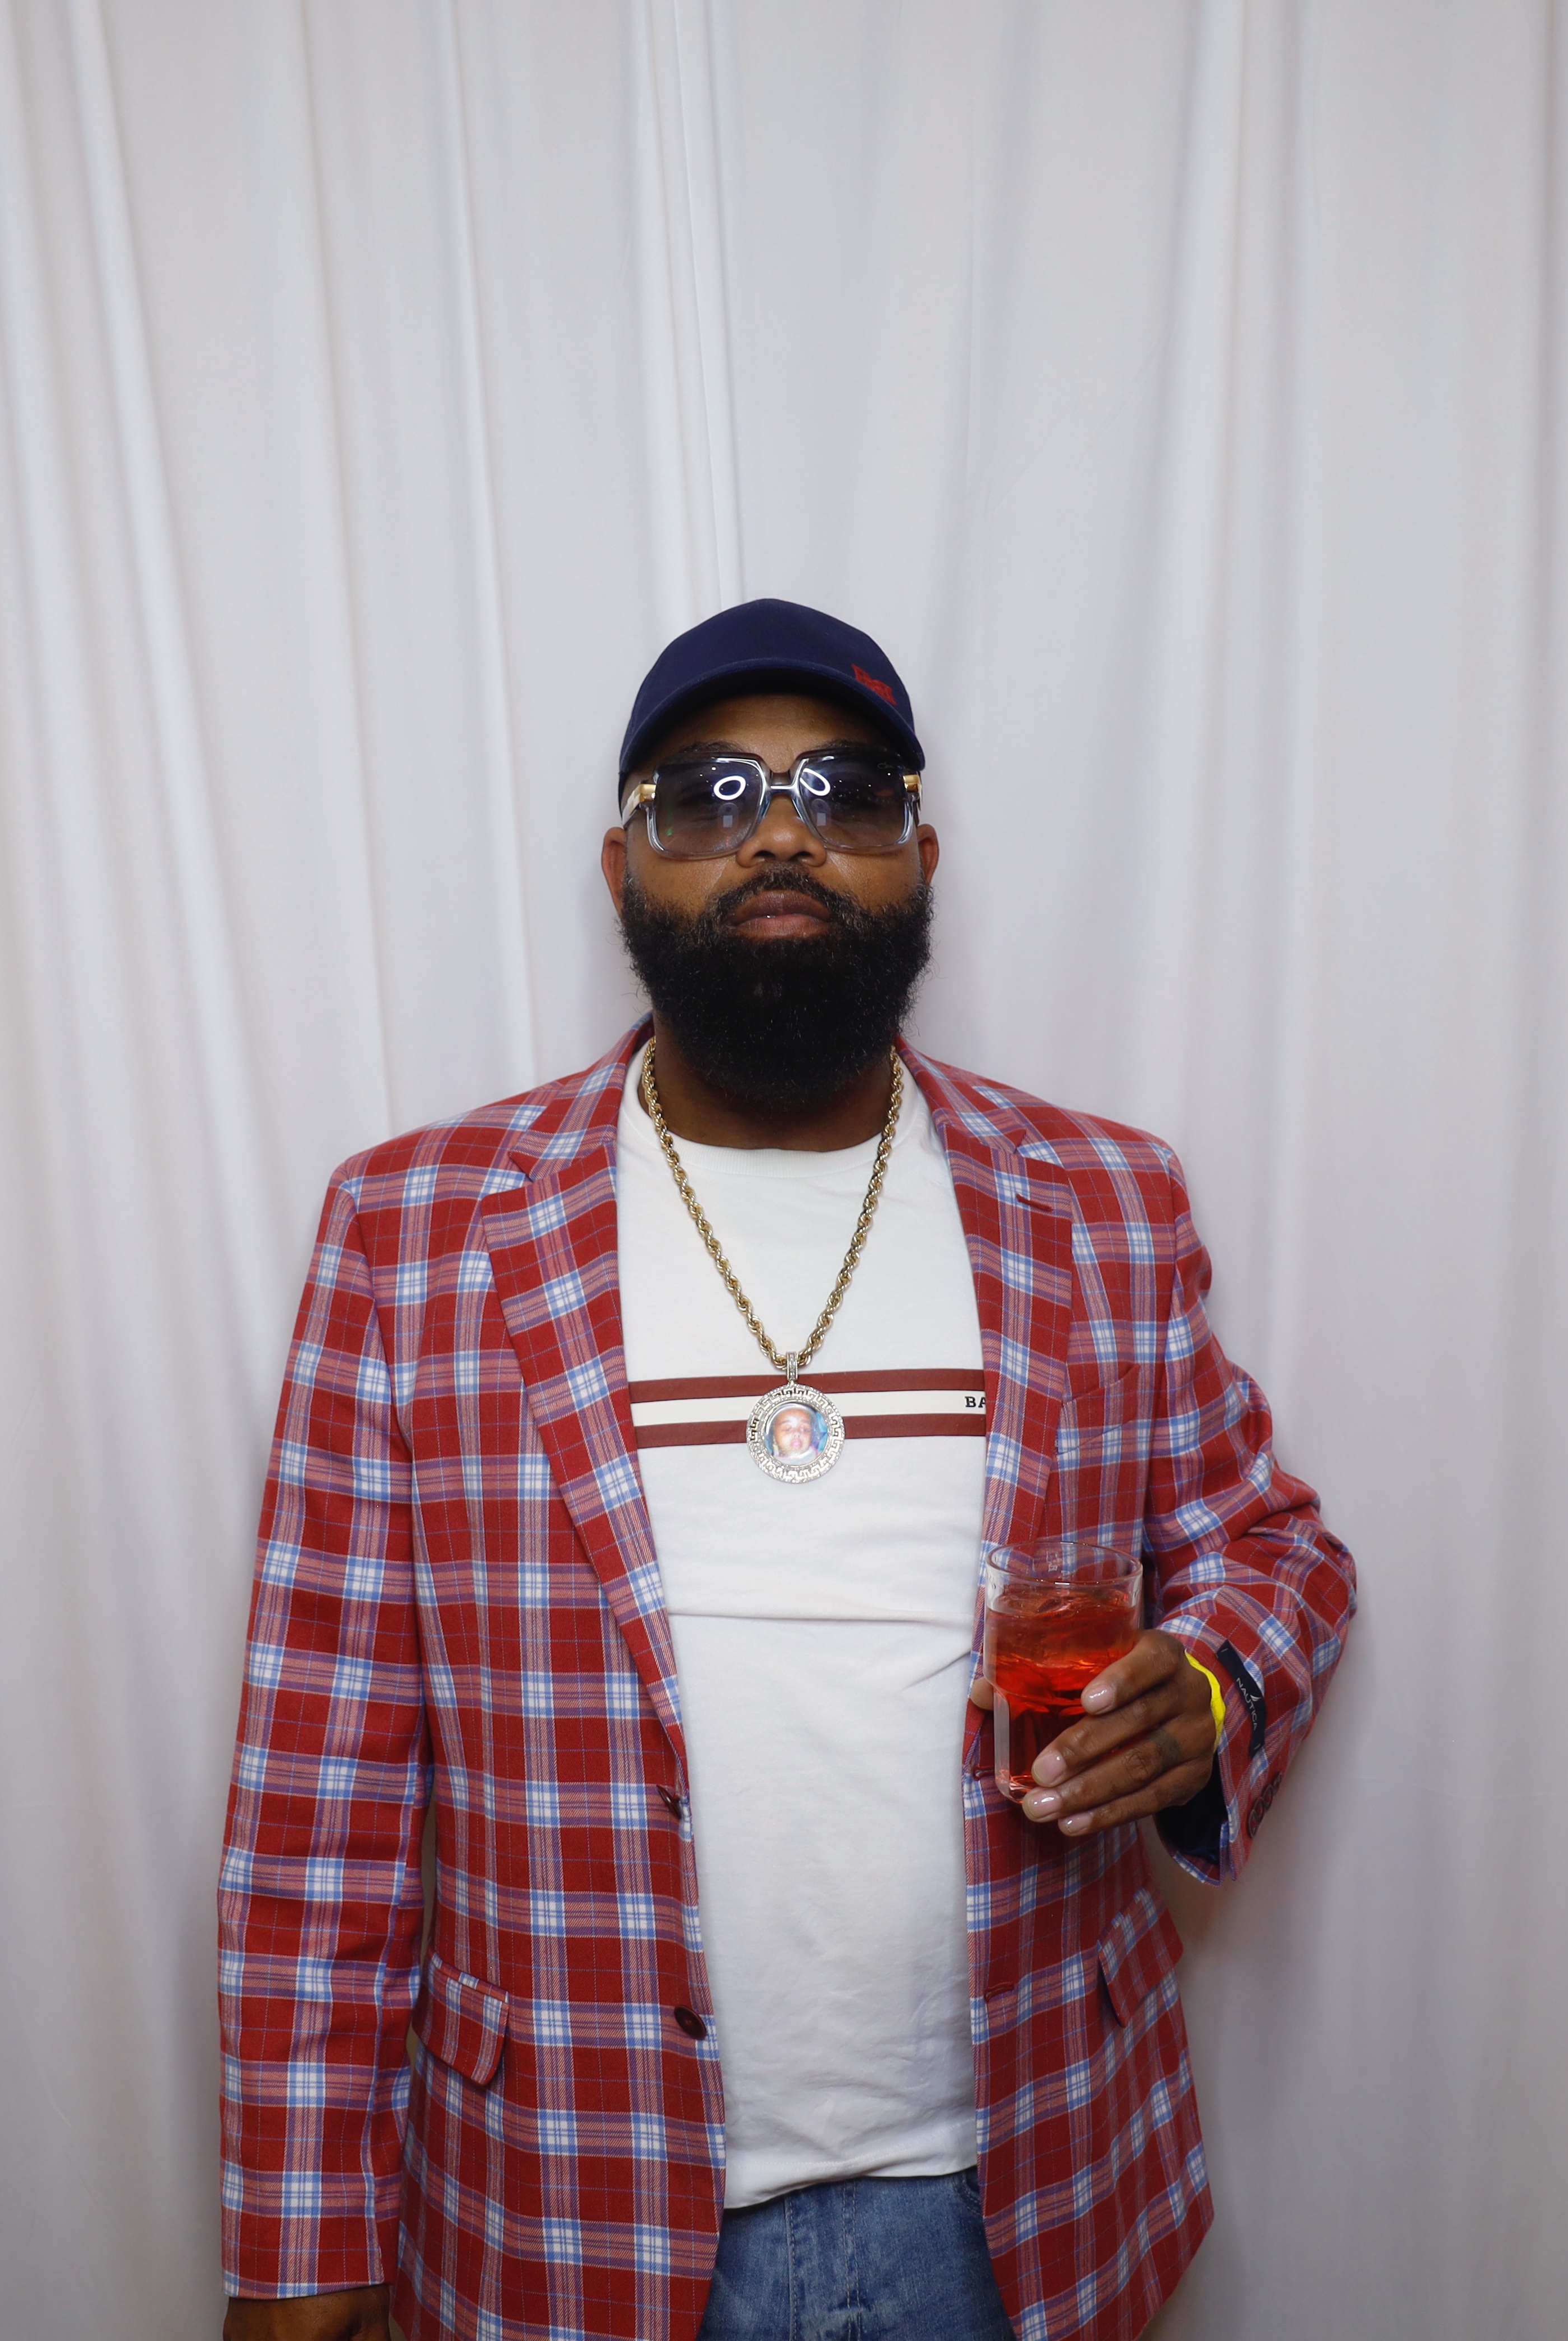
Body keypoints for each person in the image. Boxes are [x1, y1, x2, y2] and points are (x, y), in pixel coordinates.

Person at [216, 599, 1357, 2341]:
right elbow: (321, 1781)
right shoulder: (416, 1232)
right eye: (709, 794)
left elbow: (1275, 1551)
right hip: (567, 2209)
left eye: (847, 792)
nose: (780, 834)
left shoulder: (1101, 1202)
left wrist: (1208, 1685)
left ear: (921, 857)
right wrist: (303, 2244)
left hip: (1025, 2197)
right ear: (624, 864)